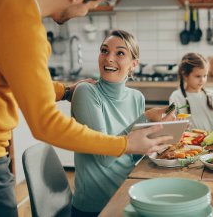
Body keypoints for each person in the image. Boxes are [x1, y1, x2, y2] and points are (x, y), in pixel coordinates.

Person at [0, 0, 172, 216]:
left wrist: (64, 91)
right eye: (89, 7)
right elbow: (46, 125)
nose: (84, 14)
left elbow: (10, 78)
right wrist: (125, 144)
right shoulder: (23, 24)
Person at [71, 30, 169, 216]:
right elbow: (105, 156)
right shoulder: (86, 92)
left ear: (133, 65)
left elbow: (132, 156)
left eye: (120, 53)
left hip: (128, 194)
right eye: (104, 51)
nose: (109, 58)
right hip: (95, 208)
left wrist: (160, 136)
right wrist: (146, 117)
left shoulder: (136, 97)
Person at [169, 53, 213, 132]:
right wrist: (174, 120)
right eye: (198, 76)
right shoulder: (176, 96)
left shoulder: (212, 95)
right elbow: (169, 116)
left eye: (205, 76)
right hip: (190, 141)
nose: (202, 80)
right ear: (185, 76)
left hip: (212, 141)